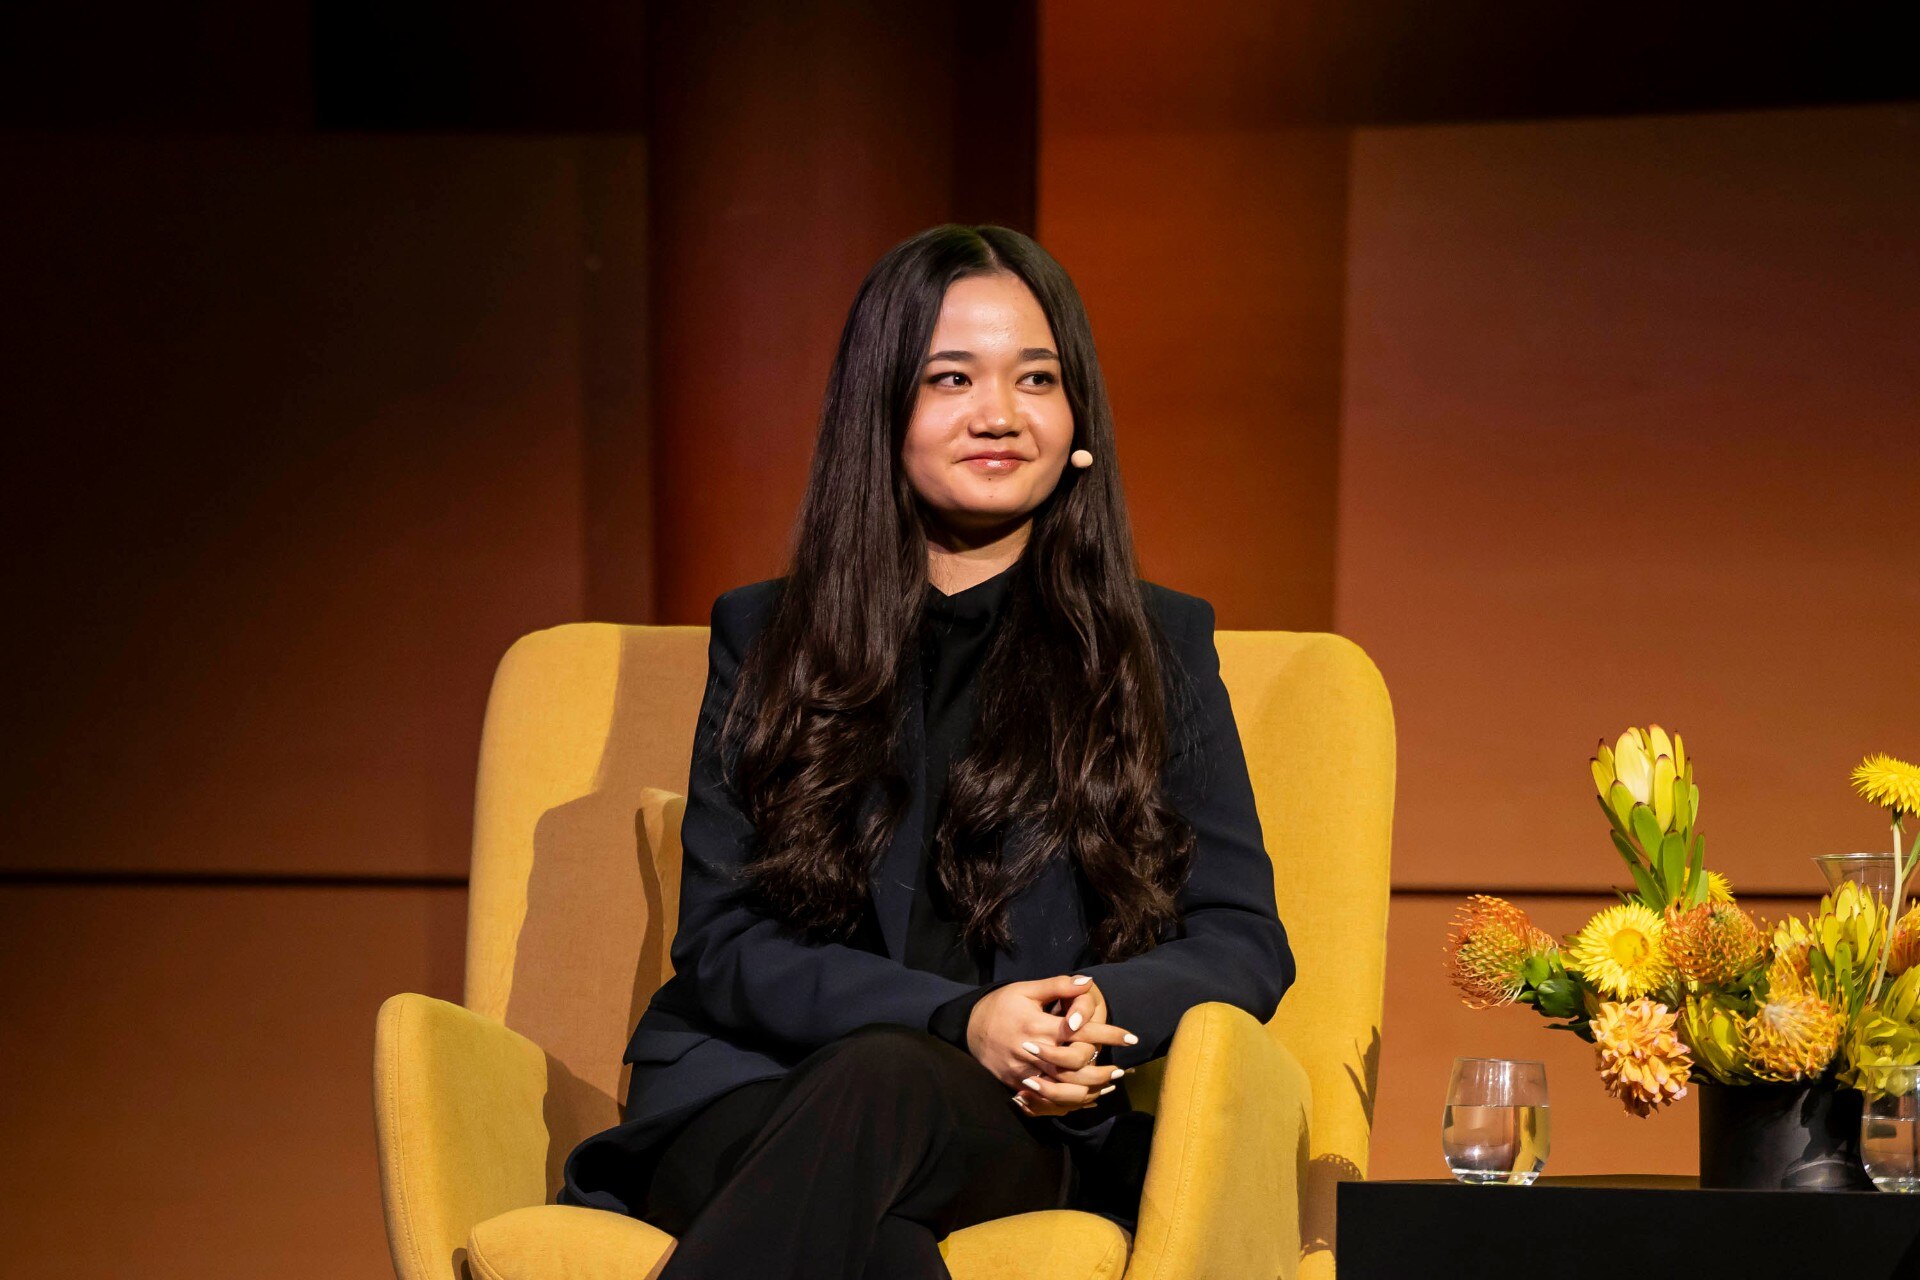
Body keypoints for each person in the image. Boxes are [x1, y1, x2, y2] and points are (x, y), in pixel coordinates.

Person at [558, 223, 1294, 1278]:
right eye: (953, 377)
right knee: (884, 1234)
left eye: (1036, 377)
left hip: (1003, 1118)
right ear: (884, 411)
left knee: (889, 1091)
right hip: (748, 1092)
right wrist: (956, 1014)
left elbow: (1242, 936)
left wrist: (1094, 1008)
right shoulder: (770, 635)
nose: (999, 413)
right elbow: (724, 947)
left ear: (1076, 414)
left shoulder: (1153, 645)